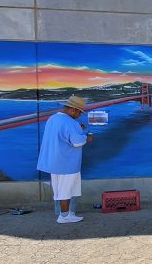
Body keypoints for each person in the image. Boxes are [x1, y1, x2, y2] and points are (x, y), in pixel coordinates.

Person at [37, 95, 94, 224]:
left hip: (53, 162)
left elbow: (61, 134)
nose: (79, 115)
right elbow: (77, 142)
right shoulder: (70, 122)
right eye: (79, 112)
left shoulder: (53, 118)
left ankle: (67, 214)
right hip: (67, 162)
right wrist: (87, 138)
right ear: (73, 110)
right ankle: (64, 216)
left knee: (59, 190)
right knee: (66, 190)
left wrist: (76, 127)